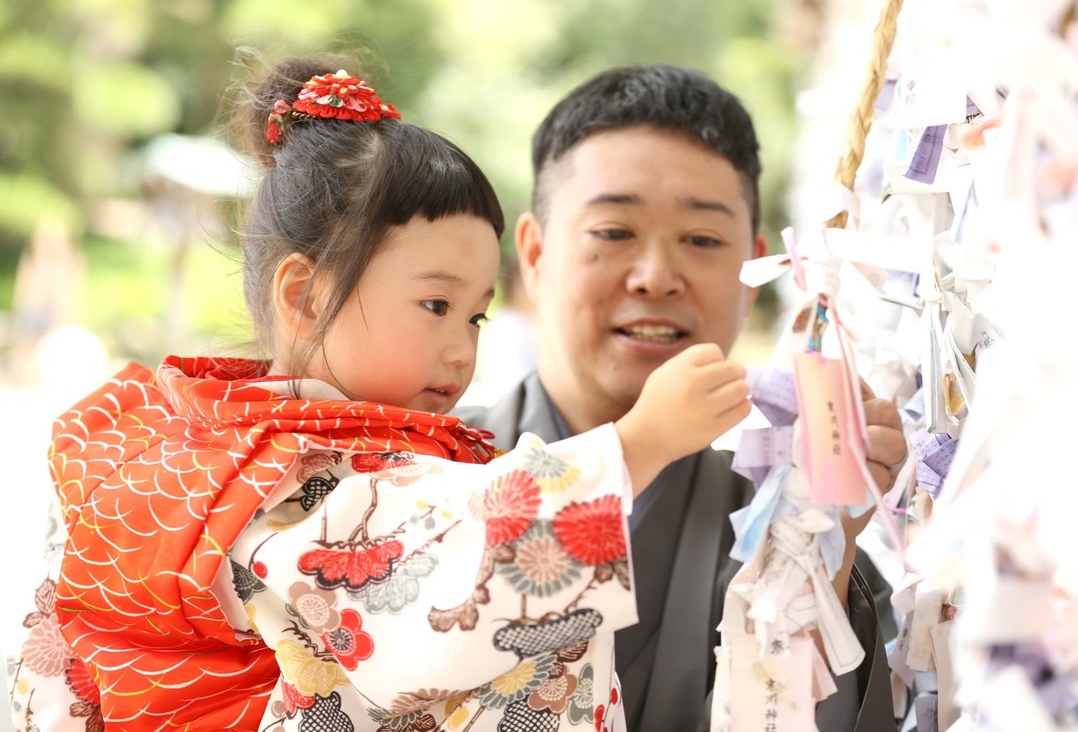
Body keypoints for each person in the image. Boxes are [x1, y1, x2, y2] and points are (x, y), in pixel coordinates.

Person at [6, 56, 752, 732]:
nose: (464, 350)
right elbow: (436, 607)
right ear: (303, 295)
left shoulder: (207, 448)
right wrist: (637, 447)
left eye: (476, 315)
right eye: (435, 306)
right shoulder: (295, 476)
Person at [457, 65, 906, 732]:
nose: (656, 276)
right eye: (614, 232)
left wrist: (816, 554)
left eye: (702, 240)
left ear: (753, 271)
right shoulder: (419, 479)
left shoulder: (796, 525)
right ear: (535, 253)